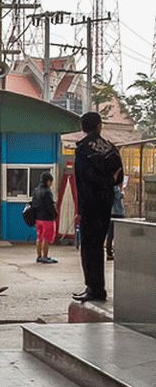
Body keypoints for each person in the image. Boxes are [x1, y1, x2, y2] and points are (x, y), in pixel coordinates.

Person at [73, 111, 124, 302]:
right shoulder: (110, 148)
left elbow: (83, 180)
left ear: (83, 128)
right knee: (99, 246)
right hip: (105, 203)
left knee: (89, 247)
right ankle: (98, 288)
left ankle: (93, 288)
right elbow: (119, 176)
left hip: (89, 204)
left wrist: (80, 208)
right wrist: (107, 181)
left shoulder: (83, 150)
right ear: (99, 126)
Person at [31, 171, 58, 264]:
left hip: (38, 219)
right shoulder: (47, 192)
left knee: (39, 237)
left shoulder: (36, 190)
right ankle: (45, 257)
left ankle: (39, 256)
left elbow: (33, 204)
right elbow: (50, 206)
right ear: (48, 181)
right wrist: (55, 215)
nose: (51, 184)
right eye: (51, 182)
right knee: (46, 238)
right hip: (47, 219)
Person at [106, 182, 125, 261]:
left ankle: (109, 251)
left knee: (111, 233)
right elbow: (119, 196)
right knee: (113, 233)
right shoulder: (115, 187)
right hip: (116, 212)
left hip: (112, 212)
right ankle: (109, 252)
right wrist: (122, 190)